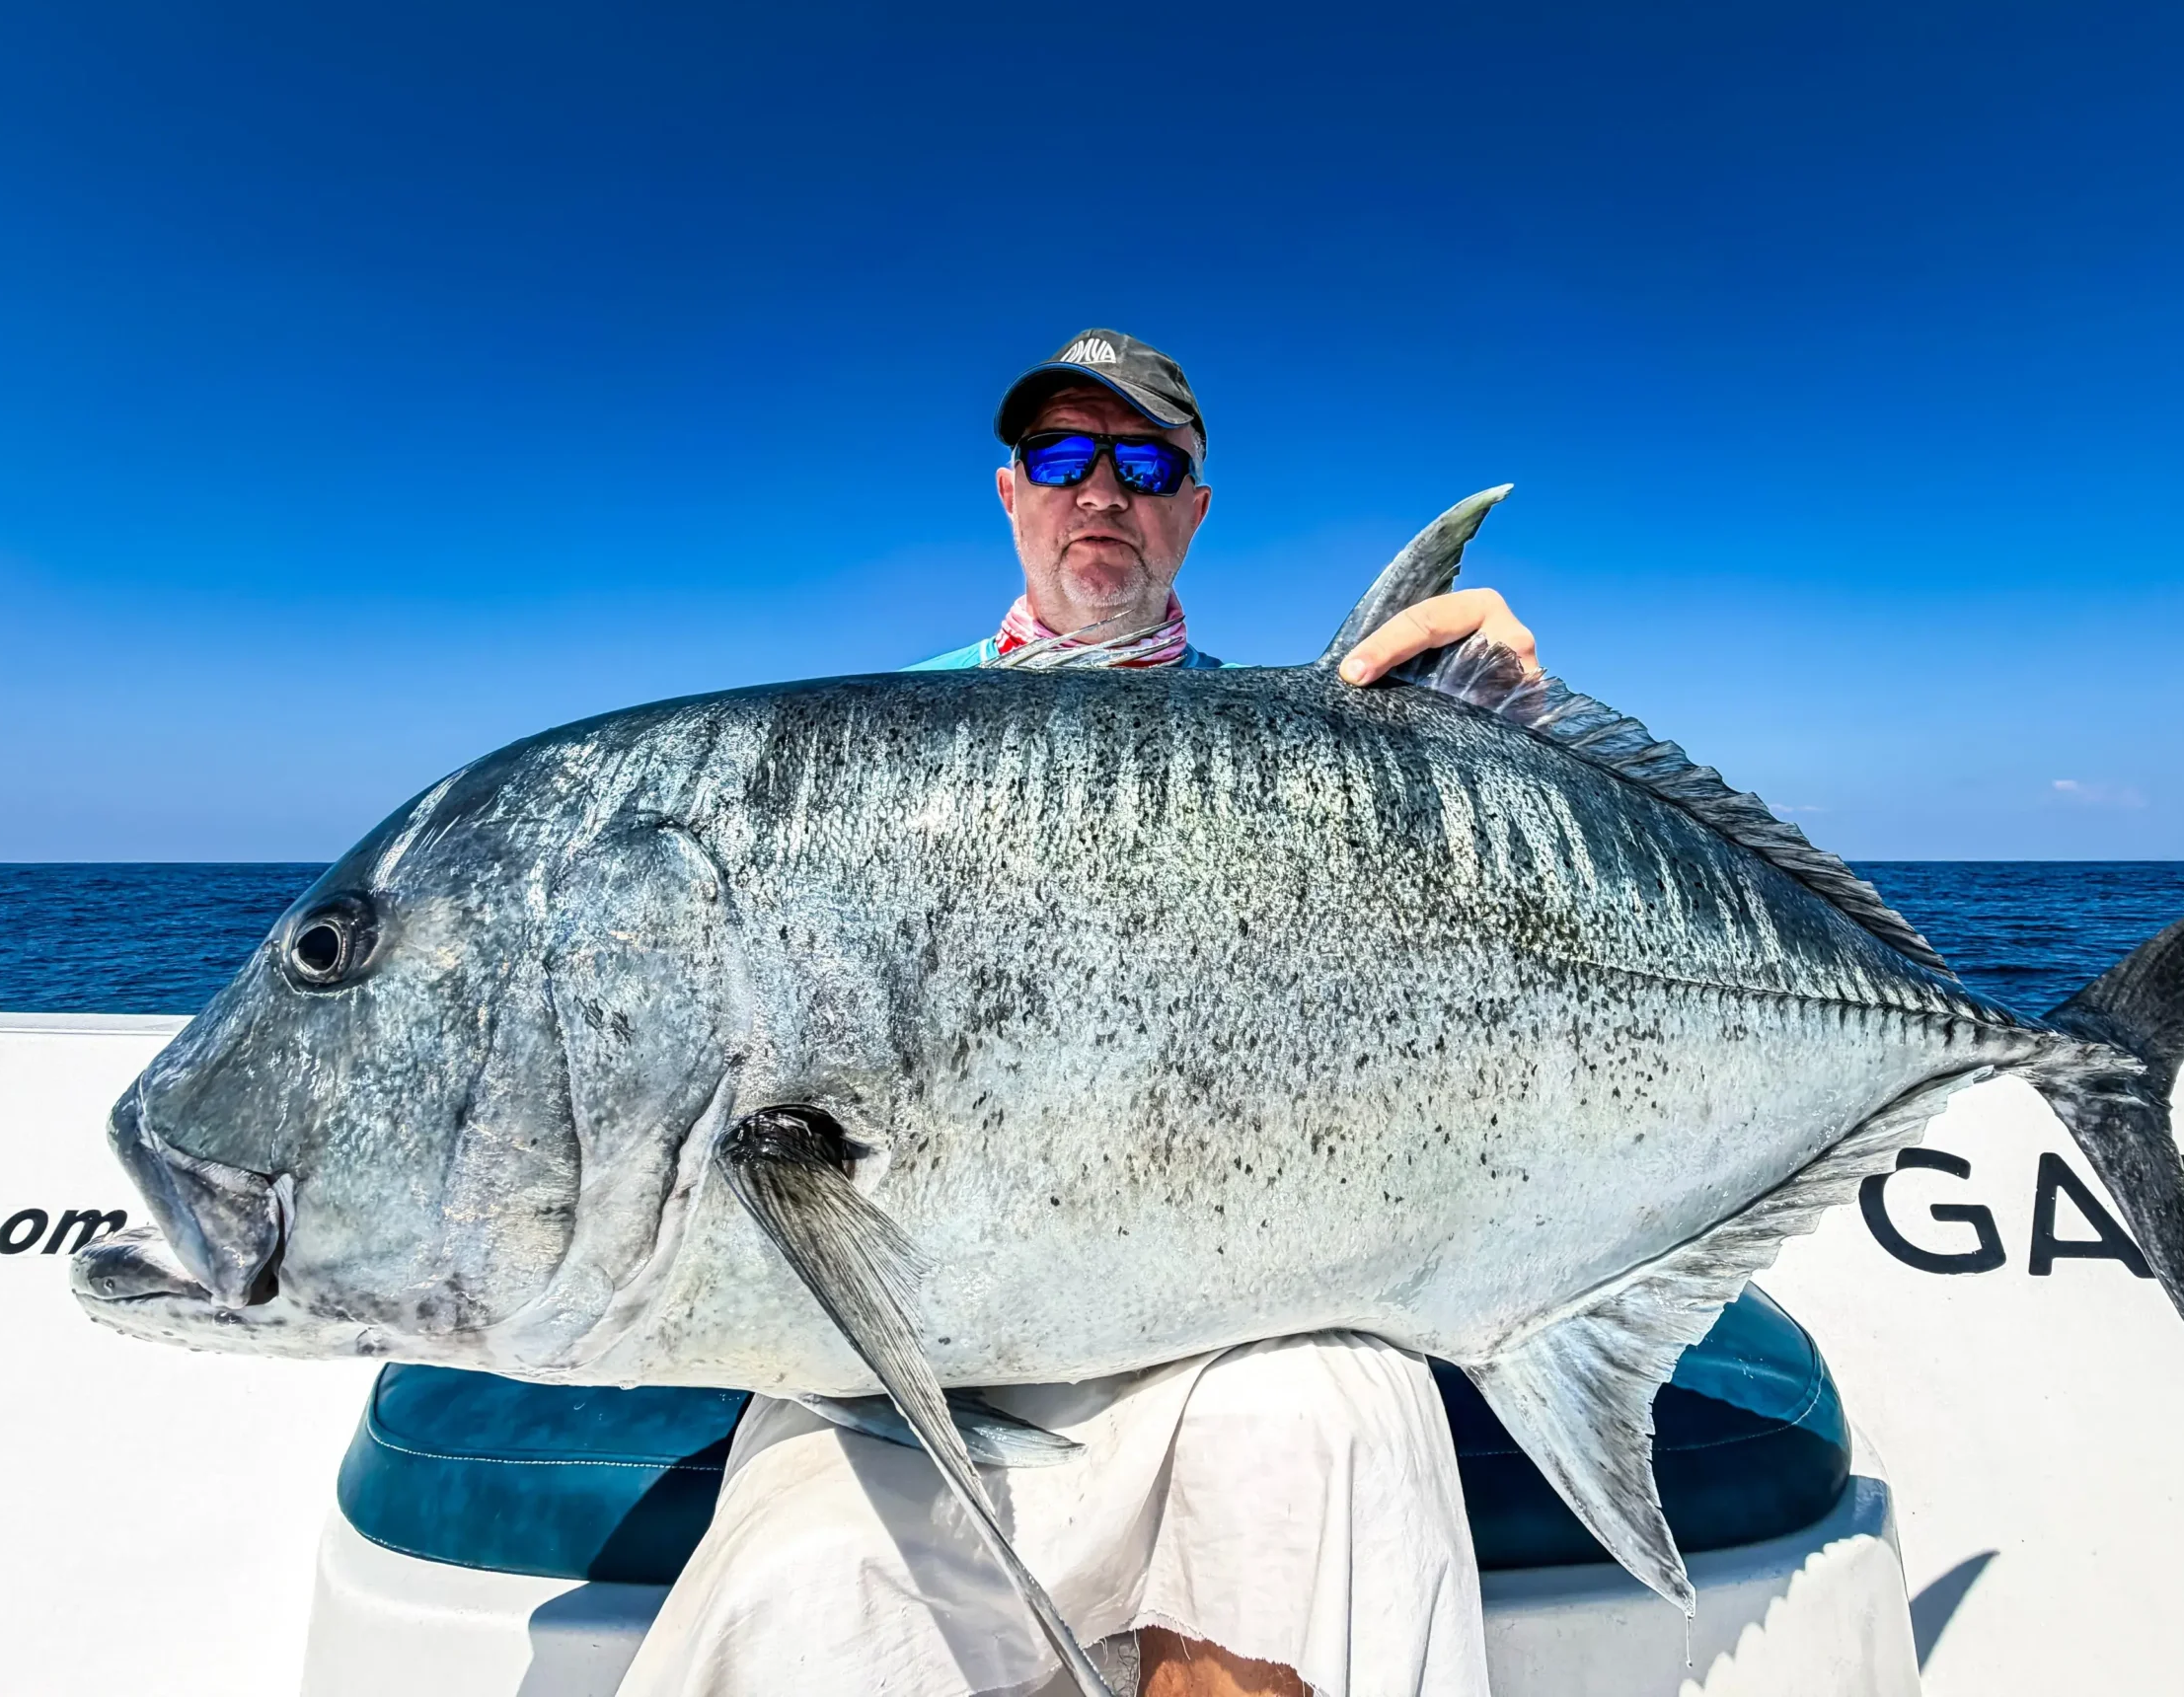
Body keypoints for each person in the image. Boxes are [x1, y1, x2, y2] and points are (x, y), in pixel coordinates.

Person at [620, 331, 1541, 1697]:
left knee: (1337, 1450)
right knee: (802, 1585)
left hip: (1241, 1311)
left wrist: (1496, 753)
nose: (1100, 490)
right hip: (913, 1357)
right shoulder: (861, 752)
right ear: (1012, 493)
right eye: (1061, 456)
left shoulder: (1323, 752)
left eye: (1145, 464)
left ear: (1193, 509)